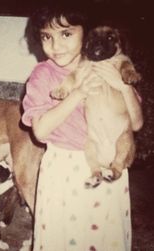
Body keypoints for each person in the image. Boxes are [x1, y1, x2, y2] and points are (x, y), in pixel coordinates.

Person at [21, 5, 143, 251]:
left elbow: (137, 123)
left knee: (104, 235)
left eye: (66, 34)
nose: (56, 45)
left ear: (87, 33)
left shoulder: (113, 65)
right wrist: (77, 94)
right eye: (47, 36)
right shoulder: (42, 76)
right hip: (64, 169)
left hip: (110, 161)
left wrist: (124, 88)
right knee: (64, 235)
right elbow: (40, 132)